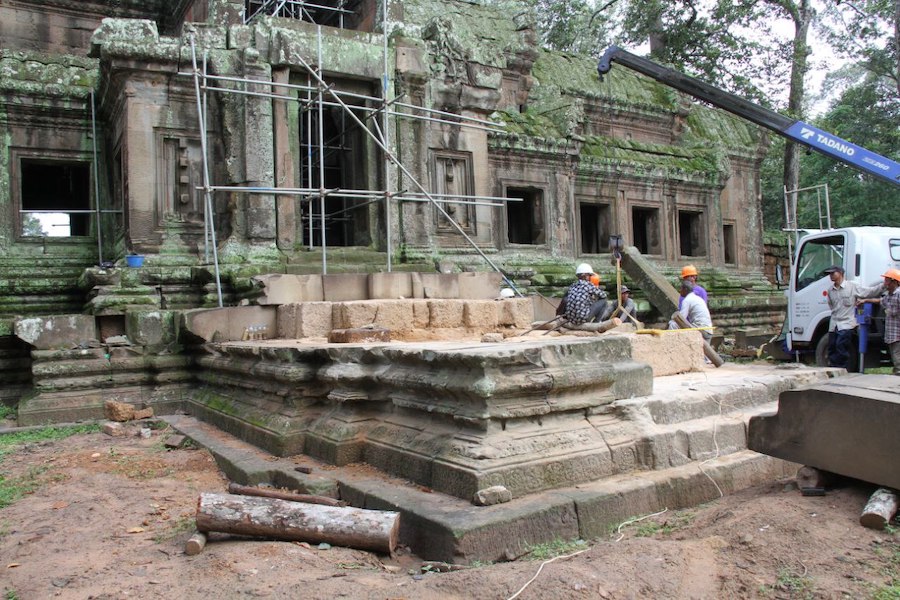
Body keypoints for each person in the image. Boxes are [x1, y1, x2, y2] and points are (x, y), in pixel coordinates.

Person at [823, 265, 883, 369]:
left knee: (841, 346)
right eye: (830, 274)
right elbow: (831, 306)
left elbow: (869, 292)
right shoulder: (830, 291)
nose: (831, 276)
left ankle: (842, 369)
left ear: (840, 273)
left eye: (833, 273)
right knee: (832, 347)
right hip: (834, 323)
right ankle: (833, 368)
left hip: (847, 323)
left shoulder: (852, 287)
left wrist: (883, 286)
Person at [856, 268, 900, 375]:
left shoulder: (898, 294)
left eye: (887, 281)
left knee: (897, 356)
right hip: (891, 334)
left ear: (894, 281)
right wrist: (866, 300)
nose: (885, 283)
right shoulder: (889, 295)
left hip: (898, 333)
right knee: (894, 355)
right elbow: (880, 301)